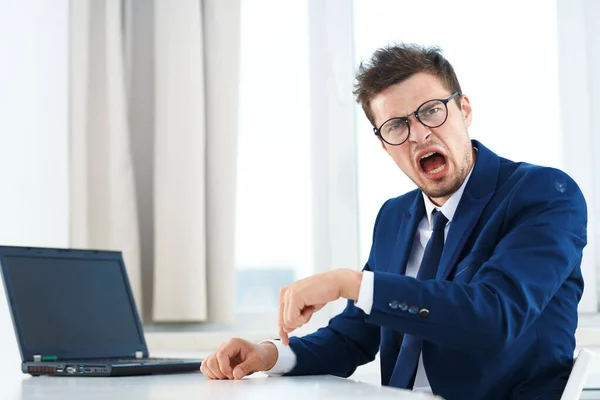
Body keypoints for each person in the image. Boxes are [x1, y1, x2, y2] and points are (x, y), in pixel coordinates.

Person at [200, 43, 587, 400]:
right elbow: (354, 336)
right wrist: (269, 355)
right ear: (384, 145)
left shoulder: (545, 194)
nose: (419, 134)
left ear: (464, 109)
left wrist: (347, 283)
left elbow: (494, 316)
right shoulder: (394, 216)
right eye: (397, 126)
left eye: (431, 110)